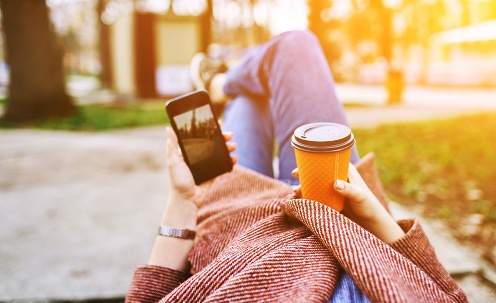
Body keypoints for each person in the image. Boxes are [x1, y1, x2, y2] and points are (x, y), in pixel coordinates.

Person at [126, 30, 467, 302]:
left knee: (250, 98)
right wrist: (376, 218)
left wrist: (183, 200)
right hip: (338, 206)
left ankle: (223, 84)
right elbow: (444, 293)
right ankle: (224, 82)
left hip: (236, 218)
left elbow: (150, 295)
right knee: (294, 49)